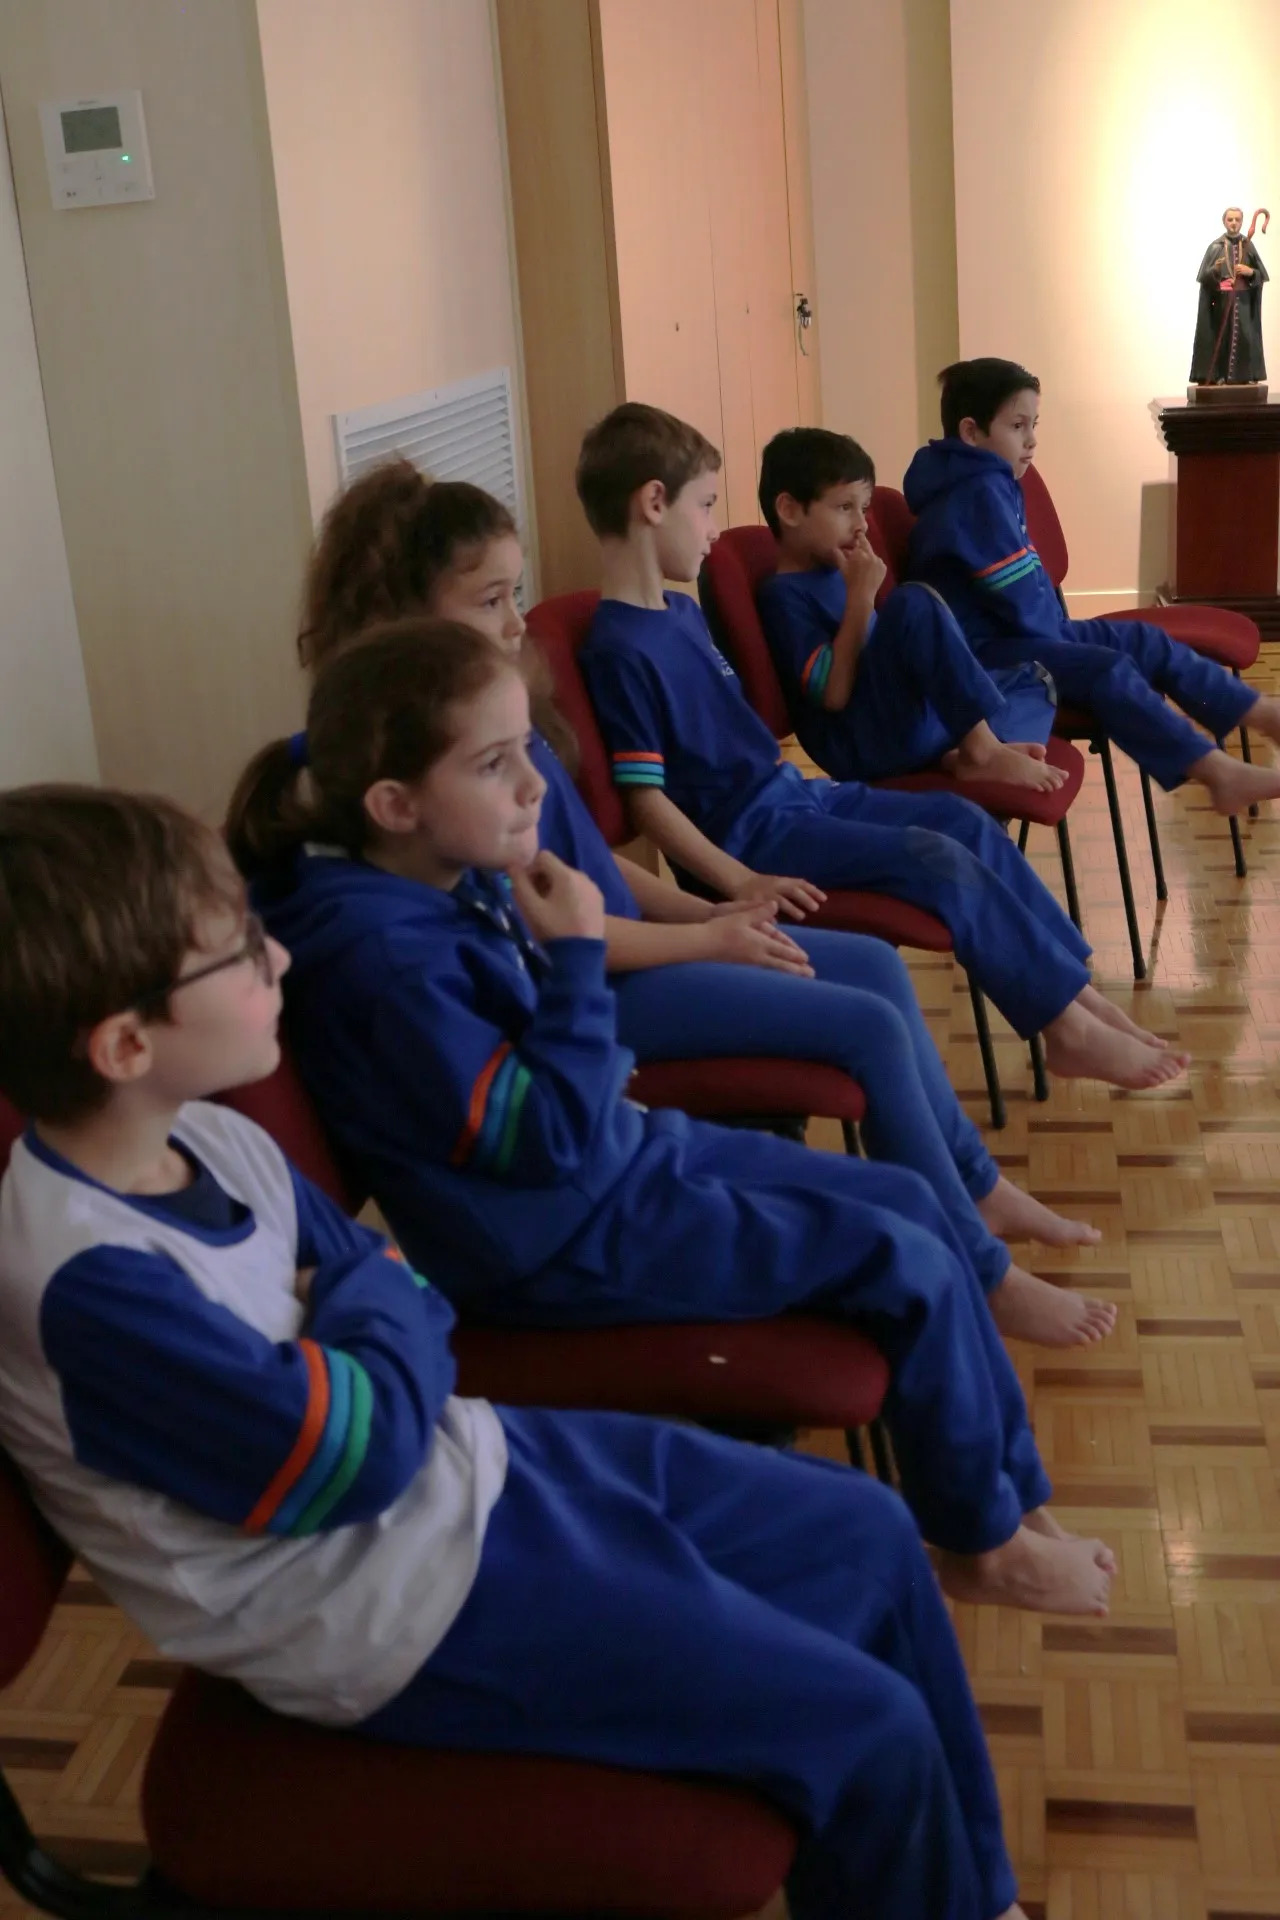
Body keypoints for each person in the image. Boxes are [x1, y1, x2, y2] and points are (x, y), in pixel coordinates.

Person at [0, 784, 1032, 1920]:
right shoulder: (86, 1282)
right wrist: (373, 1316)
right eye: (240, 952)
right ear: (125, 1044)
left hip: (465, 1470)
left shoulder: (208, 1133)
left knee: (869, 1534)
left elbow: (382, 1293)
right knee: (866, 1729)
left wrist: (360, 1321)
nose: (278, 957)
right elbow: (357, 1451)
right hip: (390, 1607)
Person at [227, 621, 1116, 1612]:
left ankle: (1009, 1502)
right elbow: (542, 1138)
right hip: (555, 1241)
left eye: (524, 748)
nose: (533, 786)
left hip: (610, 1172)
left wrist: (568, 968)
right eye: (492, 764)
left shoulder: (428, 874)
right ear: (392, 805)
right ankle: (984, 1542)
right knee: (902, 1258)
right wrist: (574, 960)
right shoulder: (385, 962)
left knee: (912, 1201)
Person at [294, 457, 1106, 1302]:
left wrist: (715, 913)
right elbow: (561, 929)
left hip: (631, 948)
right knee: (866, 1024)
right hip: (599, 988)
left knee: (872, 965)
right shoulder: (453, 777)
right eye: (491, 600)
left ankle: (974, 1186)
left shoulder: (499, 734)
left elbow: (589, 866)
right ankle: (982, 1265)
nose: (516, 624)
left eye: (515, 596)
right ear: (410, 617)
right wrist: (706, 937)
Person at [574, 402, 1187, 1094]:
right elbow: (646, 802)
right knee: (937, 859)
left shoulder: (682, 612)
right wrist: (739, 881)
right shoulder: (617, 648)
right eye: (706, 505)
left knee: (961, 821)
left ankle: (1077, 997)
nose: (715, 528)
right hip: (757, 835)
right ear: (654, 503)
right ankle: (1065, 1030)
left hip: (796, 798)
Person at [904, 357, 1280, 814]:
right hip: (984, 656)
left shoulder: (985, 479)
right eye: (1018, 426)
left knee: (1145, 640)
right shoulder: (974, 493)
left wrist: (1062, 635)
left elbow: (1025, 599)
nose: (1031, 440)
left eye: (1034, 425)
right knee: (1107, 670)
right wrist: (1067, 644)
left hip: (1019, 633)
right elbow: (1018, 596)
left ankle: (1262, 715)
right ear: (970, 432)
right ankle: (1221, 774)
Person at [755, 425, 1060, 789]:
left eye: (863, 509)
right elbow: (834, 696)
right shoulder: (783, 595)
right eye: (844, 507)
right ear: (790, 510)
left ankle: (971, 751)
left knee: (1032, 676)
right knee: (913, 601)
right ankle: (982, 750)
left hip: (900, 722)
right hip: (860, 745)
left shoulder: (841, 572)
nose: (861, 525)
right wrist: (860, 599)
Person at [1191, 207, 1268, 385]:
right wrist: (1215, 270)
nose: (1233, 223)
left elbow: (1260, 275)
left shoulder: (1248, 245)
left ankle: (1245, 375)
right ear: (1224, 222)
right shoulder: (1215, 247)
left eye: (1237, 220)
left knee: (1245, 338)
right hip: (1222, 302)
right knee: (1221, 339)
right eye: (1230, 219)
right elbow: (1205, 278)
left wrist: (1250, 272)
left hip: (1244, 303)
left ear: (1242, 222)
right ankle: (1219, 376)